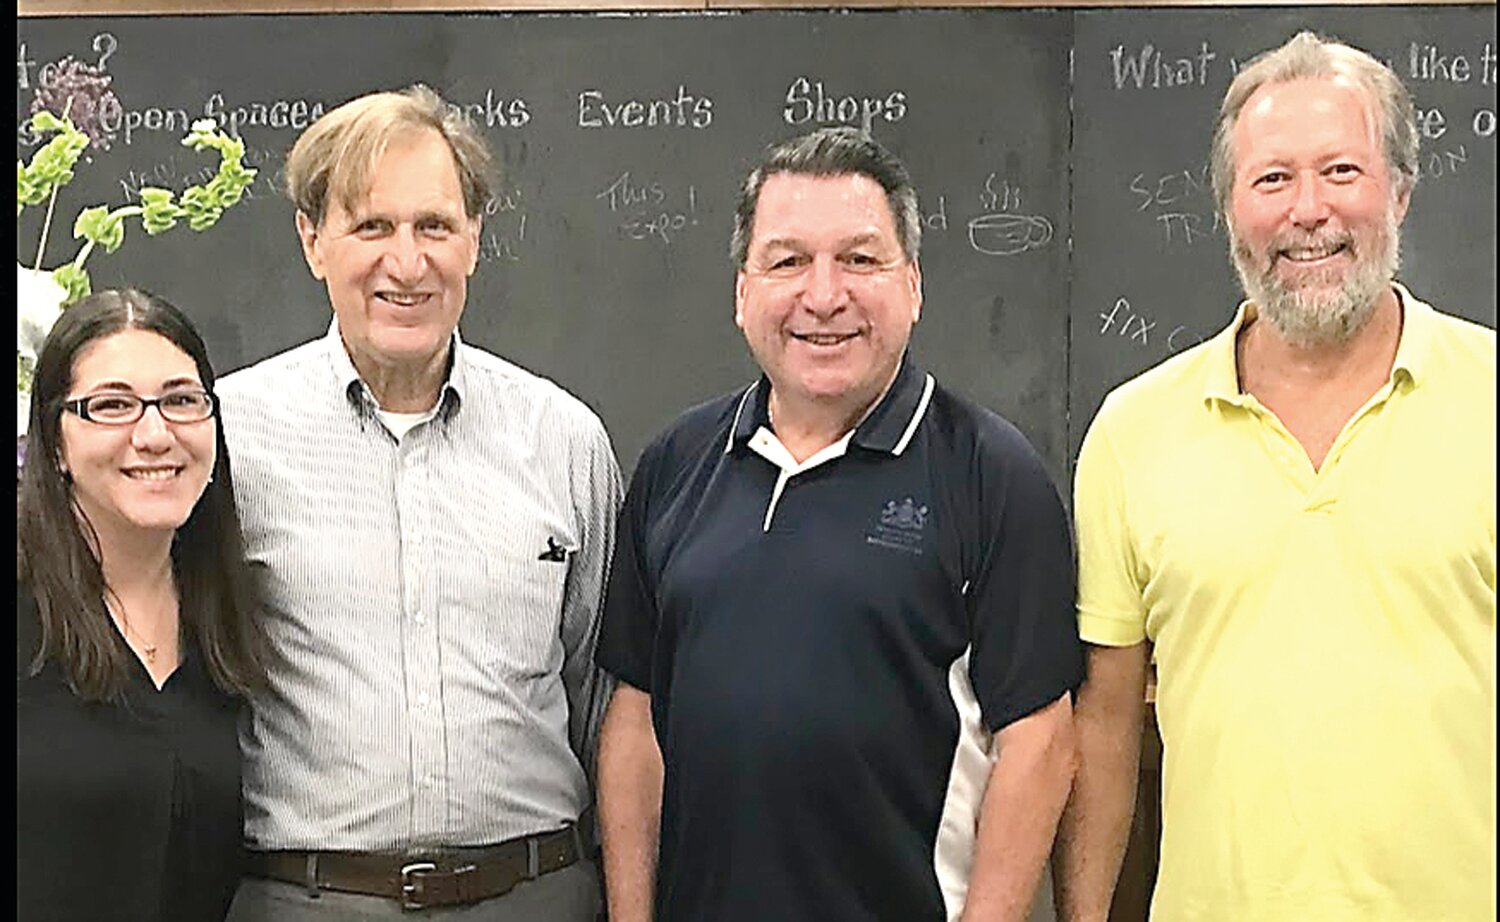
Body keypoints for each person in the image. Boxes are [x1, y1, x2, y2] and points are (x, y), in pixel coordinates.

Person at [1054, 31, 1496, 922]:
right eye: (1271, 179)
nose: (1308, 211)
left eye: (1341, 172)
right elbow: (1103, 727)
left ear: (1401, 192)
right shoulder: (1133, 433)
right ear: (1228, 210)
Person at [594, 126, 1083, 922]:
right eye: (788, 261)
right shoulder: (676, 464)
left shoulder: (991, 474)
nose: (824, 296)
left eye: (859, 259)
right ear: (743, 292)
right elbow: (636, 722)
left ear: (914, 284)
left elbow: (1039, 739)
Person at [217, 85, 621, 919]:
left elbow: (604, 699)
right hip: (307, 899)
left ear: (474, 239)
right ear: (311, 240)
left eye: (434, 225)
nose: (407, 261)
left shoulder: (565, 441)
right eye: (372, 226)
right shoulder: (228, 440)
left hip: (534, 893)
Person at [17, 288, 270, 921]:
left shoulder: (229, 622)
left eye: (182, 401)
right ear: (53, 443)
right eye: (112, 406)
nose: (155, 434)